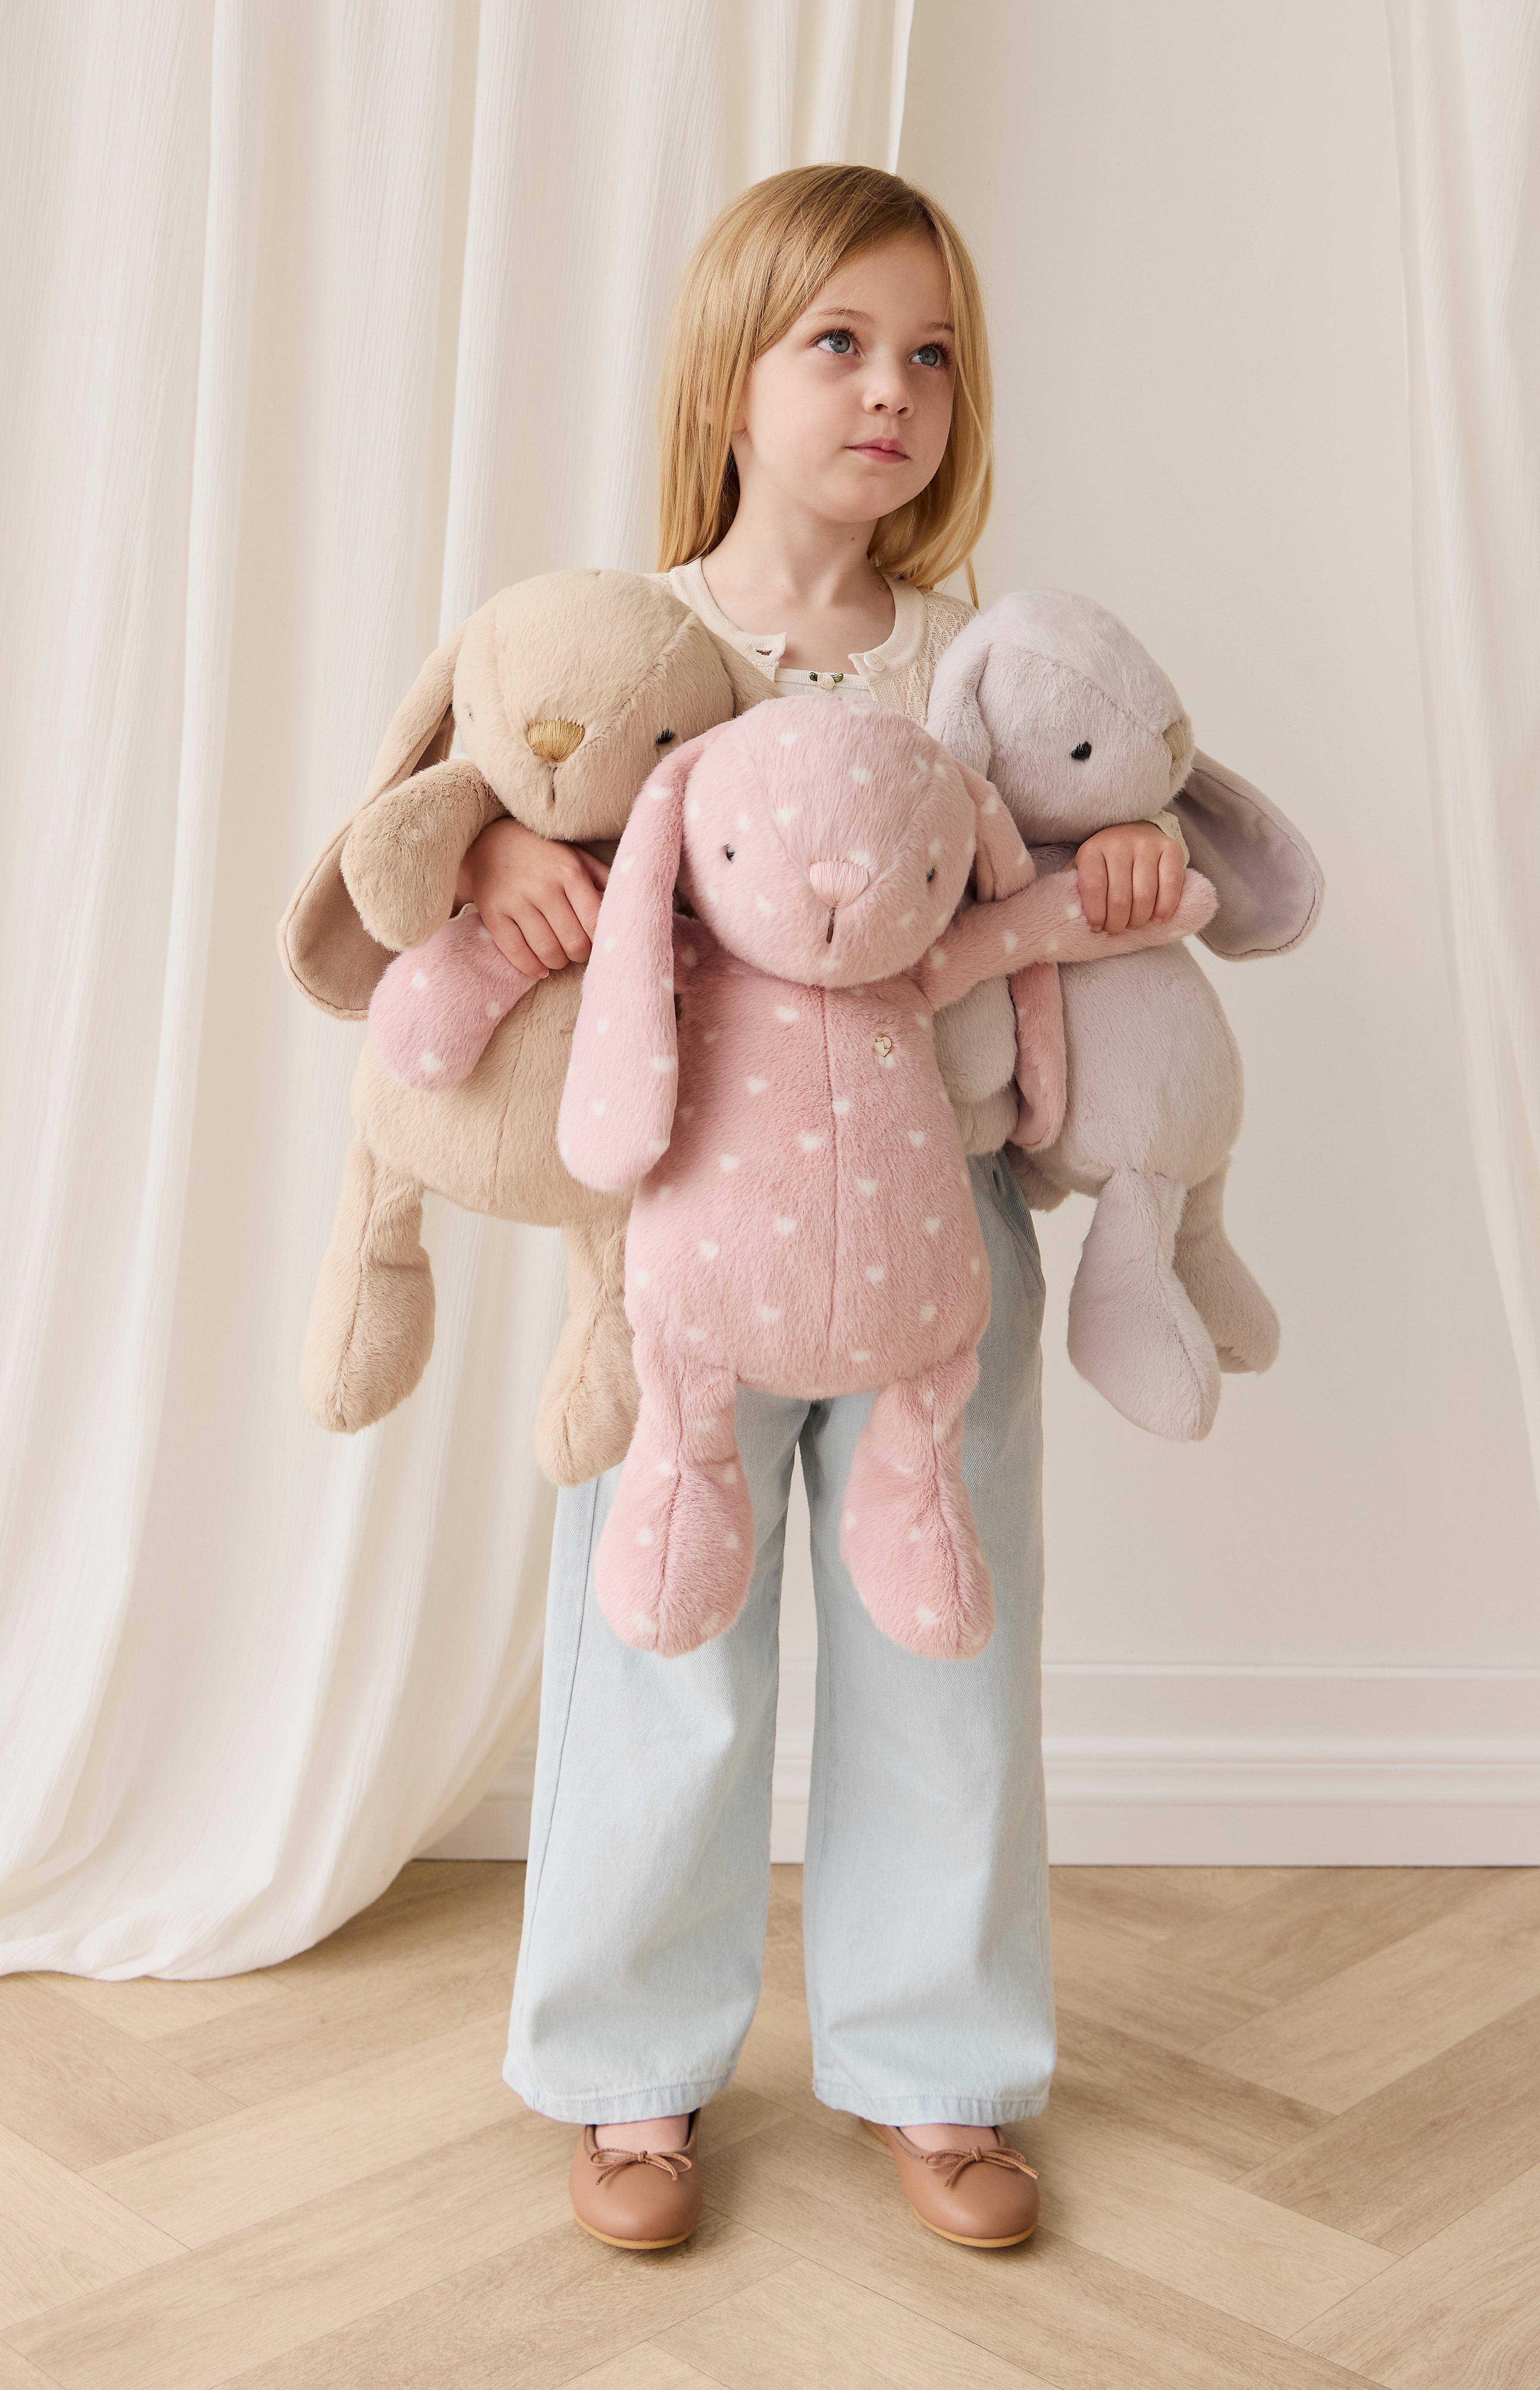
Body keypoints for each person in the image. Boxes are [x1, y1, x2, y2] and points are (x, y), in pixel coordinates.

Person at [457, 165, 1186, 2253]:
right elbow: (498, 813)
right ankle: (625, 2066)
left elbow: (1073, 844)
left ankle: (934, 2060)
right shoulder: (641, 643)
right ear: (732, 374)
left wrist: (1120, 865)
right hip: (681, 1248)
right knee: (658, 1631)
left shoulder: (976, 666)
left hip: (940, 1242)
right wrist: (513, 869)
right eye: (841, 344)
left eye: (934, 353)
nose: (894, 391)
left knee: (943, 1641)